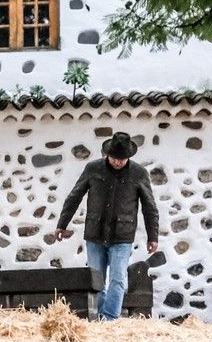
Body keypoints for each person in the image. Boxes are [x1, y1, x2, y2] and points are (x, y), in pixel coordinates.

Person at [54, 131, 159, 320]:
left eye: (122, 158)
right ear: (107, 154)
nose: (118, 162)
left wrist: (153, 237)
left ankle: (109, 319)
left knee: (117, 279)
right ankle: (98, 319)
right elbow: (75, 196)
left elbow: (149, 207)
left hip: (123, 235)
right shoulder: (93, 168)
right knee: (97, 280)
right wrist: (62, 224)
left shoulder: (139, 173)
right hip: (95, 232)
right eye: (115, 158)